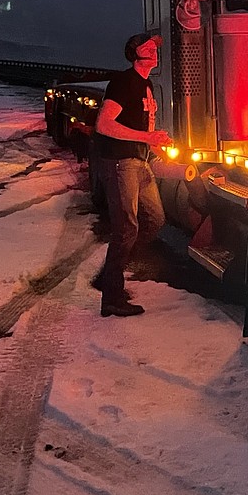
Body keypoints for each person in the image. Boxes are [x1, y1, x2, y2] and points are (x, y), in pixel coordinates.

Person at [90, 32, 171, 317]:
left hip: (140, 162)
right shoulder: (123, 82)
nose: (154, 52)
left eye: (155, 49)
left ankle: (109, 276)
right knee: (126, 228)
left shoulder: (146, 84)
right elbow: (103, 124)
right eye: (148, 49)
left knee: (155, 220)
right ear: (134, 55)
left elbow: (140, 128)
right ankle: (111, 298)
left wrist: (156, 144)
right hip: (120, 163)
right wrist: (146, 137)